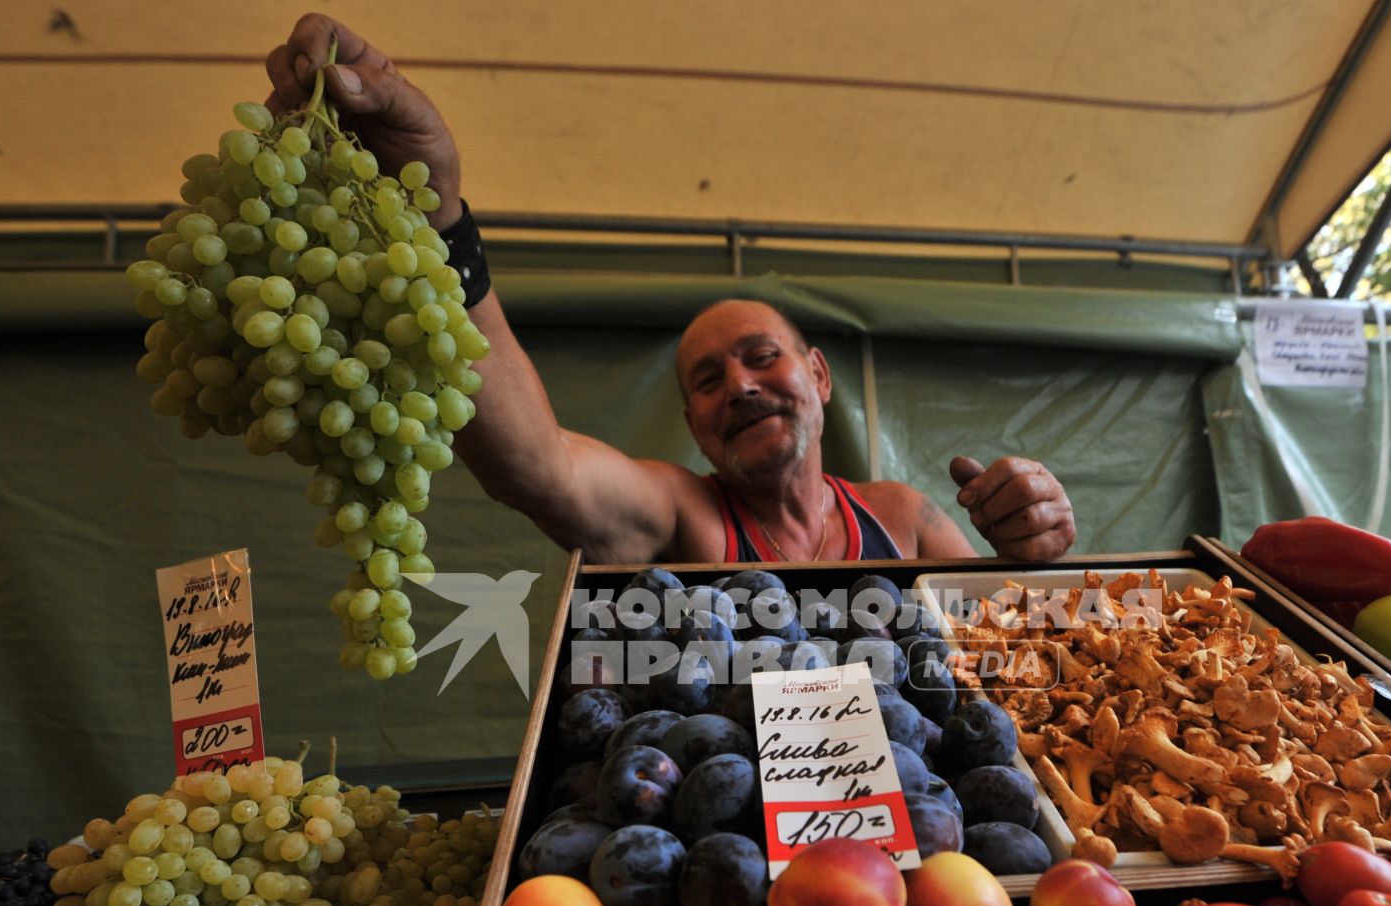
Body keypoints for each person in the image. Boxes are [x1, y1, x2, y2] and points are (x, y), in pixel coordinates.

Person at [264, 16, 1078, 566]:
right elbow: (538, 470)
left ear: (820, 377)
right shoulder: (685, 516)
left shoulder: (898, 518)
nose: (742, 387)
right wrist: (437, 220)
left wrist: (1033, 547)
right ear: (692, 423)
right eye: (708, 380)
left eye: (763, 358)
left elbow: (1001, 654)